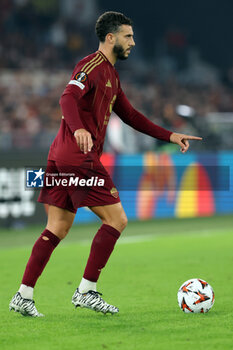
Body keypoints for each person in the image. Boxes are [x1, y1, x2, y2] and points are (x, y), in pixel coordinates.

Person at [9, 11, 202, 317]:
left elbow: (131, 116)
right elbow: (66, 98)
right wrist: (80, 129)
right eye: (128, 36)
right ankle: (86, 290)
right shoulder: (92, 65)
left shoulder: (111, 75)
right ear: (110, 37)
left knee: (57, 226)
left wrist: (170, 135)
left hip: (61, 156)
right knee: (117, 219)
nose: (133, 42)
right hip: (77, 157)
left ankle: (23, 295)